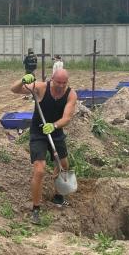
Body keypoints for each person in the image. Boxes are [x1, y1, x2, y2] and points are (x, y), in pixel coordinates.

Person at [10, 69, 77, 225]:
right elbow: (14, 89)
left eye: (64, 83)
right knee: (39, 170)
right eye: (58, 82)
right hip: (38, 133)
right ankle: (36, 209)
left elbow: (67, 118)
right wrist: (23, 81)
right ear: (52, 79)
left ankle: (58, 195)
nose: (61, 85)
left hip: (56, 131)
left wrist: (54, 126)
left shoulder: (71, 94)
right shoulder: (40, 87)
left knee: (63, 165)